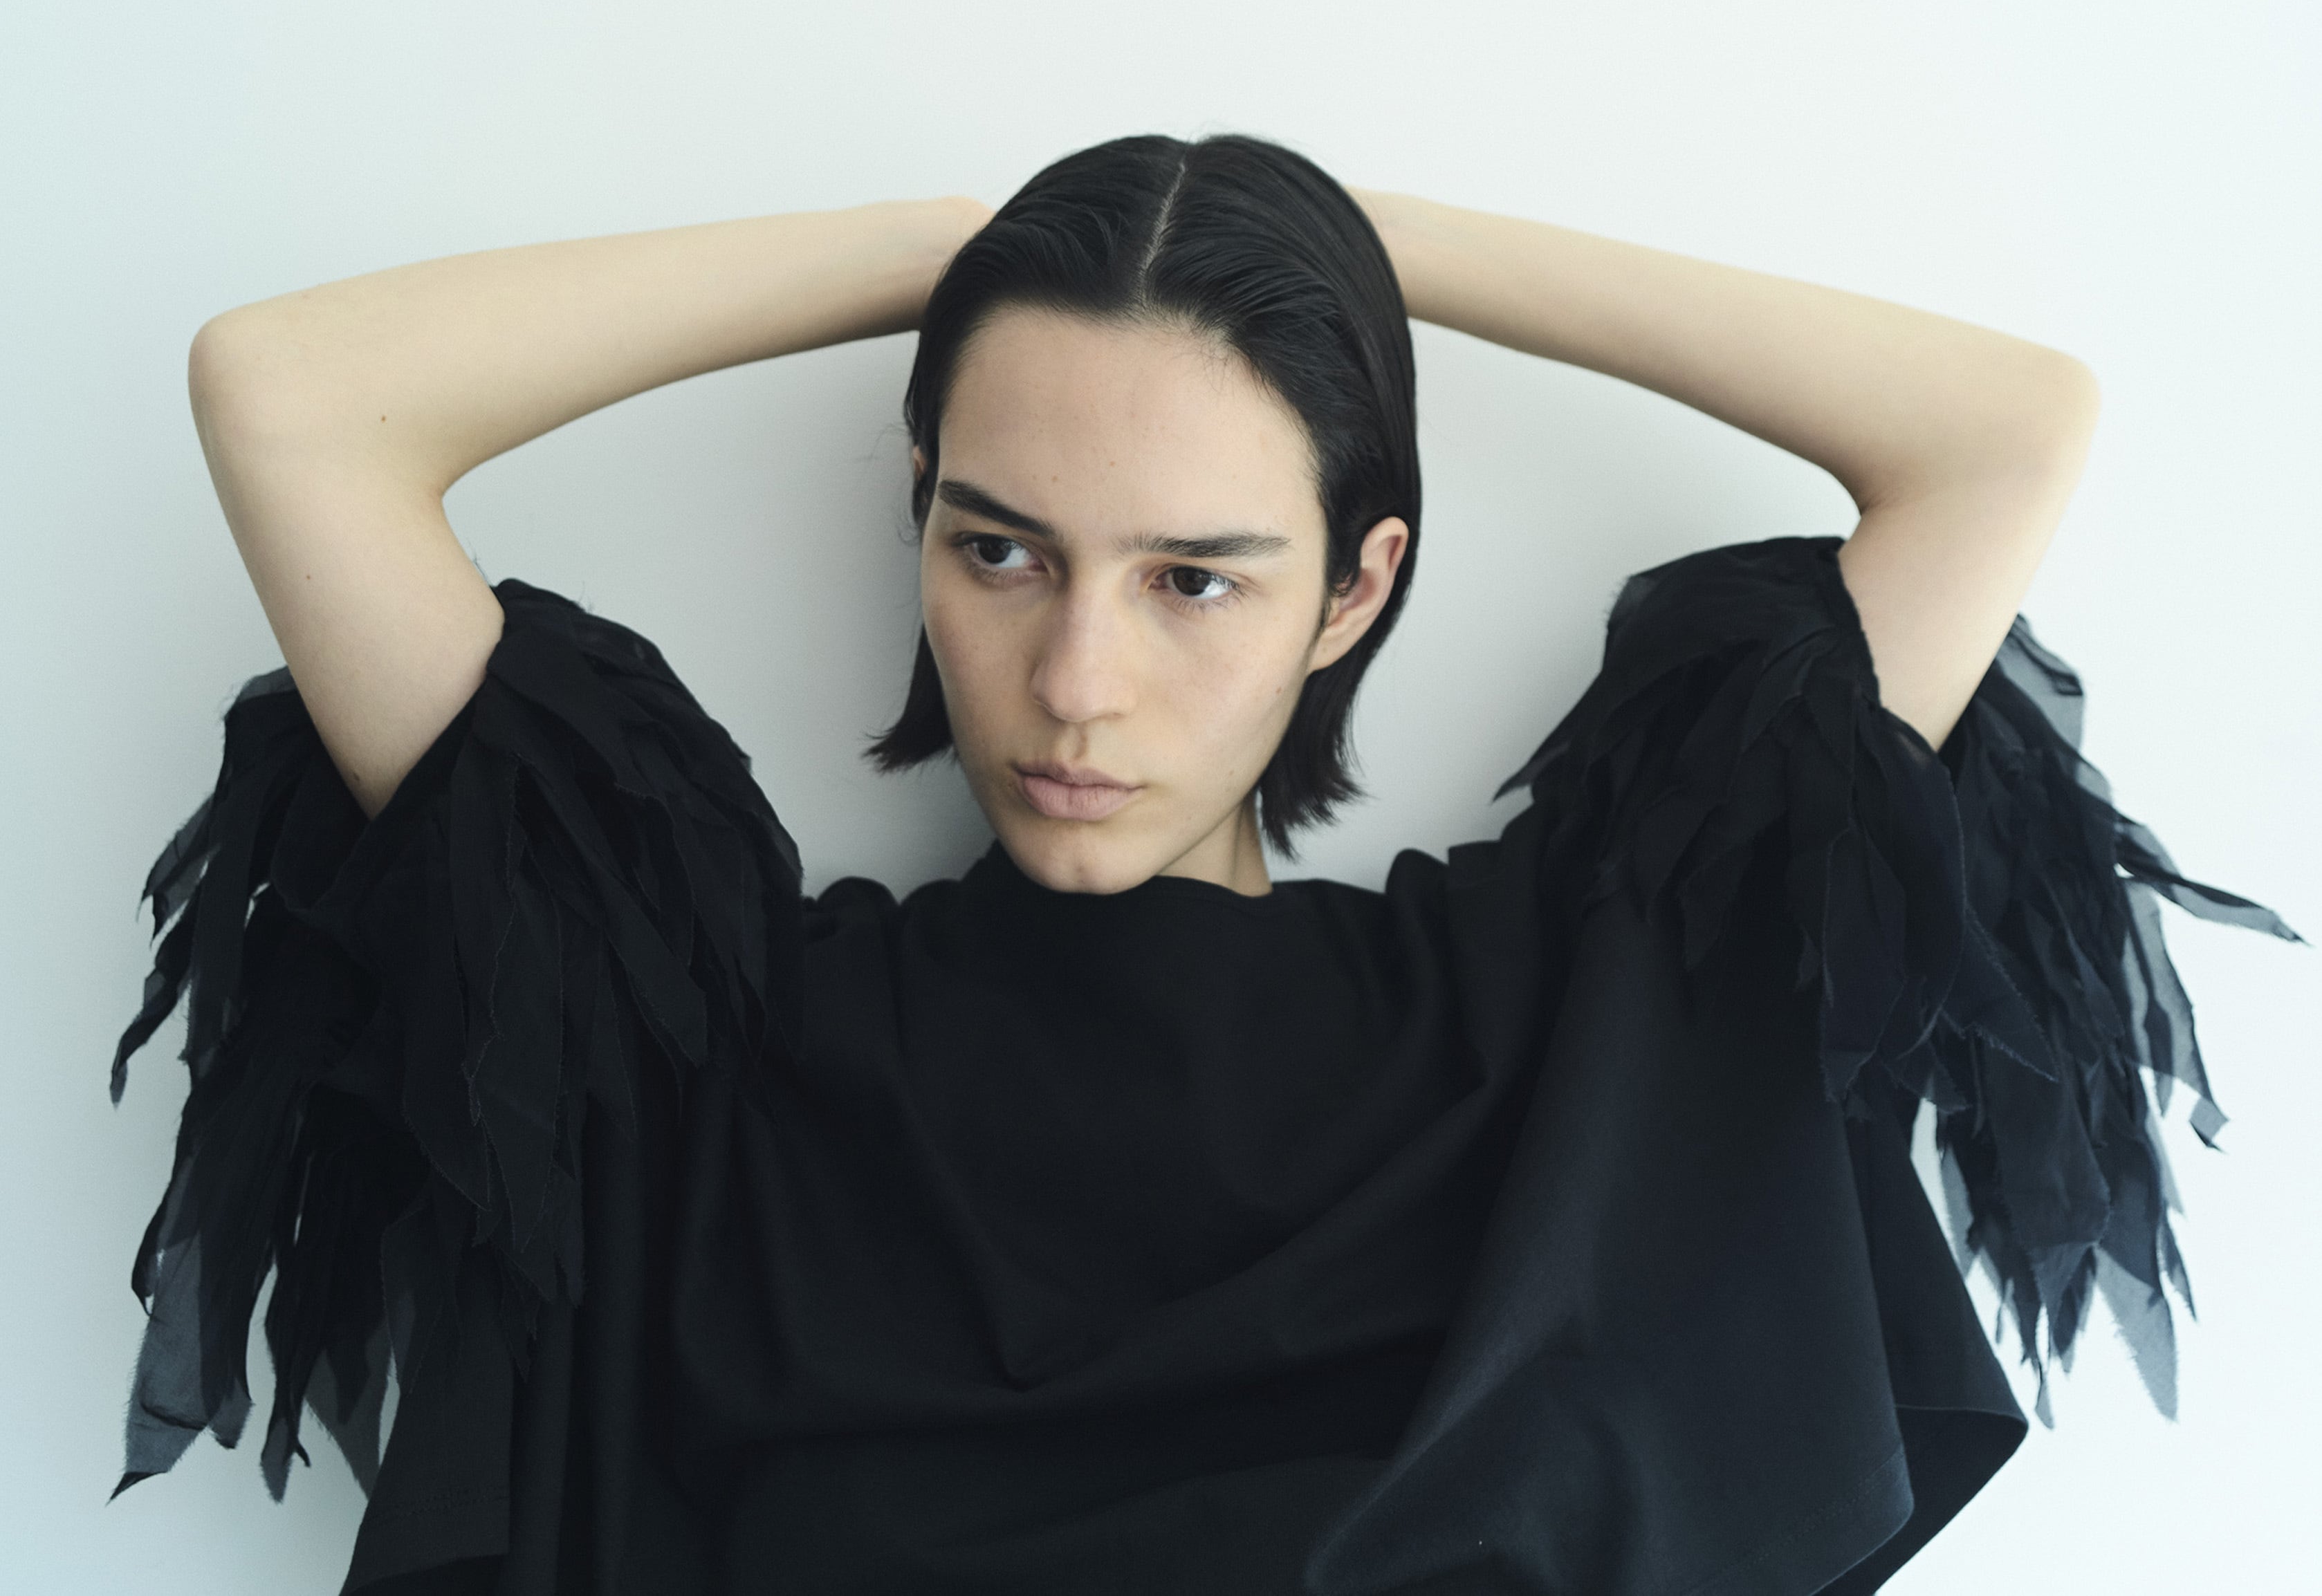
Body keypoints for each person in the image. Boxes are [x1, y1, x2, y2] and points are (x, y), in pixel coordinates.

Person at [112, 133, 2293, 1596]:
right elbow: (288, 401)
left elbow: (2003, 433)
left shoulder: (1561, 1008)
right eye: (1000, 550)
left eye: (1196, 579)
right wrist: (945, 243)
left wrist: (1358, 242)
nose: (1077, 683)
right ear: (919, 520)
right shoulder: (707, 1022)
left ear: (1358, 590)